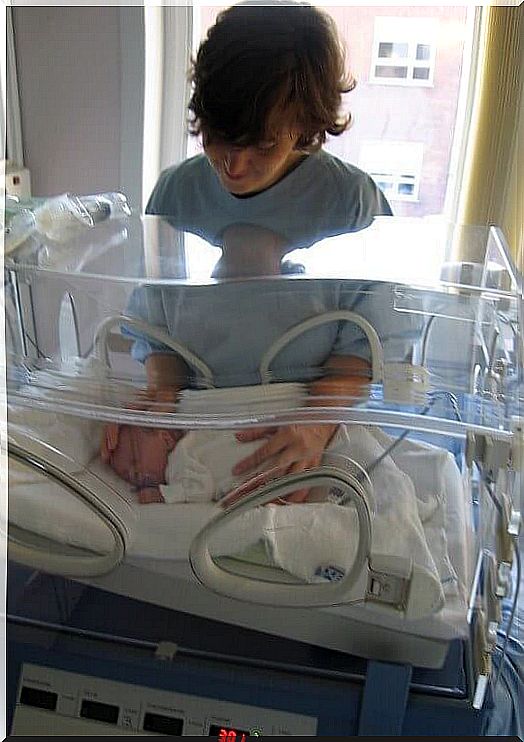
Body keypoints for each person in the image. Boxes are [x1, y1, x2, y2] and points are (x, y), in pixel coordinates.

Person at [103, 1, 399, 502]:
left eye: (260, 145)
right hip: (201, 403)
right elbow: (156, 324)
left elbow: (367, 344)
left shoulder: (351, 203)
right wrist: (161, 395)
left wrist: (315, 421)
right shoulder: (177, 196)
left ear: (307, 126)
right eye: (218, 138)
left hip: (311, 402)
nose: (232, 165)